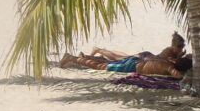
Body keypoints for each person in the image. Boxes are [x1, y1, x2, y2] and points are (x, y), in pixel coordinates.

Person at [59, 32, 192, 78]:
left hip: (136, 62)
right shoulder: (170, 65)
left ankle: (83, 57)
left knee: (106, 63)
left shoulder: (169, 60)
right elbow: (178, 76)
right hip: (132, 66)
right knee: (102, 67)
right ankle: (71, 58)